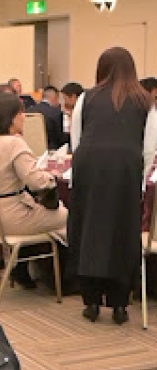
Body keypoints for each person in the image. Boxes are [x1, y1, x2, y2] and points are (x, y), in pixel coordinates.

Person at [68, 47, 157, 324]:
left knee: (89, 232)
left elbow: (76, 140)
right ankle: (119, 305)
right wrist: (138, 180)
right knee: (123, 234)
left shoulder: (87, 97)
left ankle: (91, 301)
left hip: (89, 167)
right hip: (126, 168)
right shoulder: (145, 101)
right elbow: (149, 148)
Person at [0, 92, 68, 289]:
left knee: (40, 212)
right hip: (12, 217)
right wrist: (51, 176)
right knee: (68, 216)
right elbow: (37, 182)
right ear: (11, 117)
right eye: (21, 113)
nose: (25, 117)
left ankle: (24, 268)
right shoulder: (14, 143)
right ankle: (64, 279)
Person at [36, 84, 65, 149]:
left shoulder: (28, 111)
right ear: (54, 98)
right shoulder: (56, 113)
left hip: (30, 149)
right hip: (51, 150)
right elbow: (60, 138)